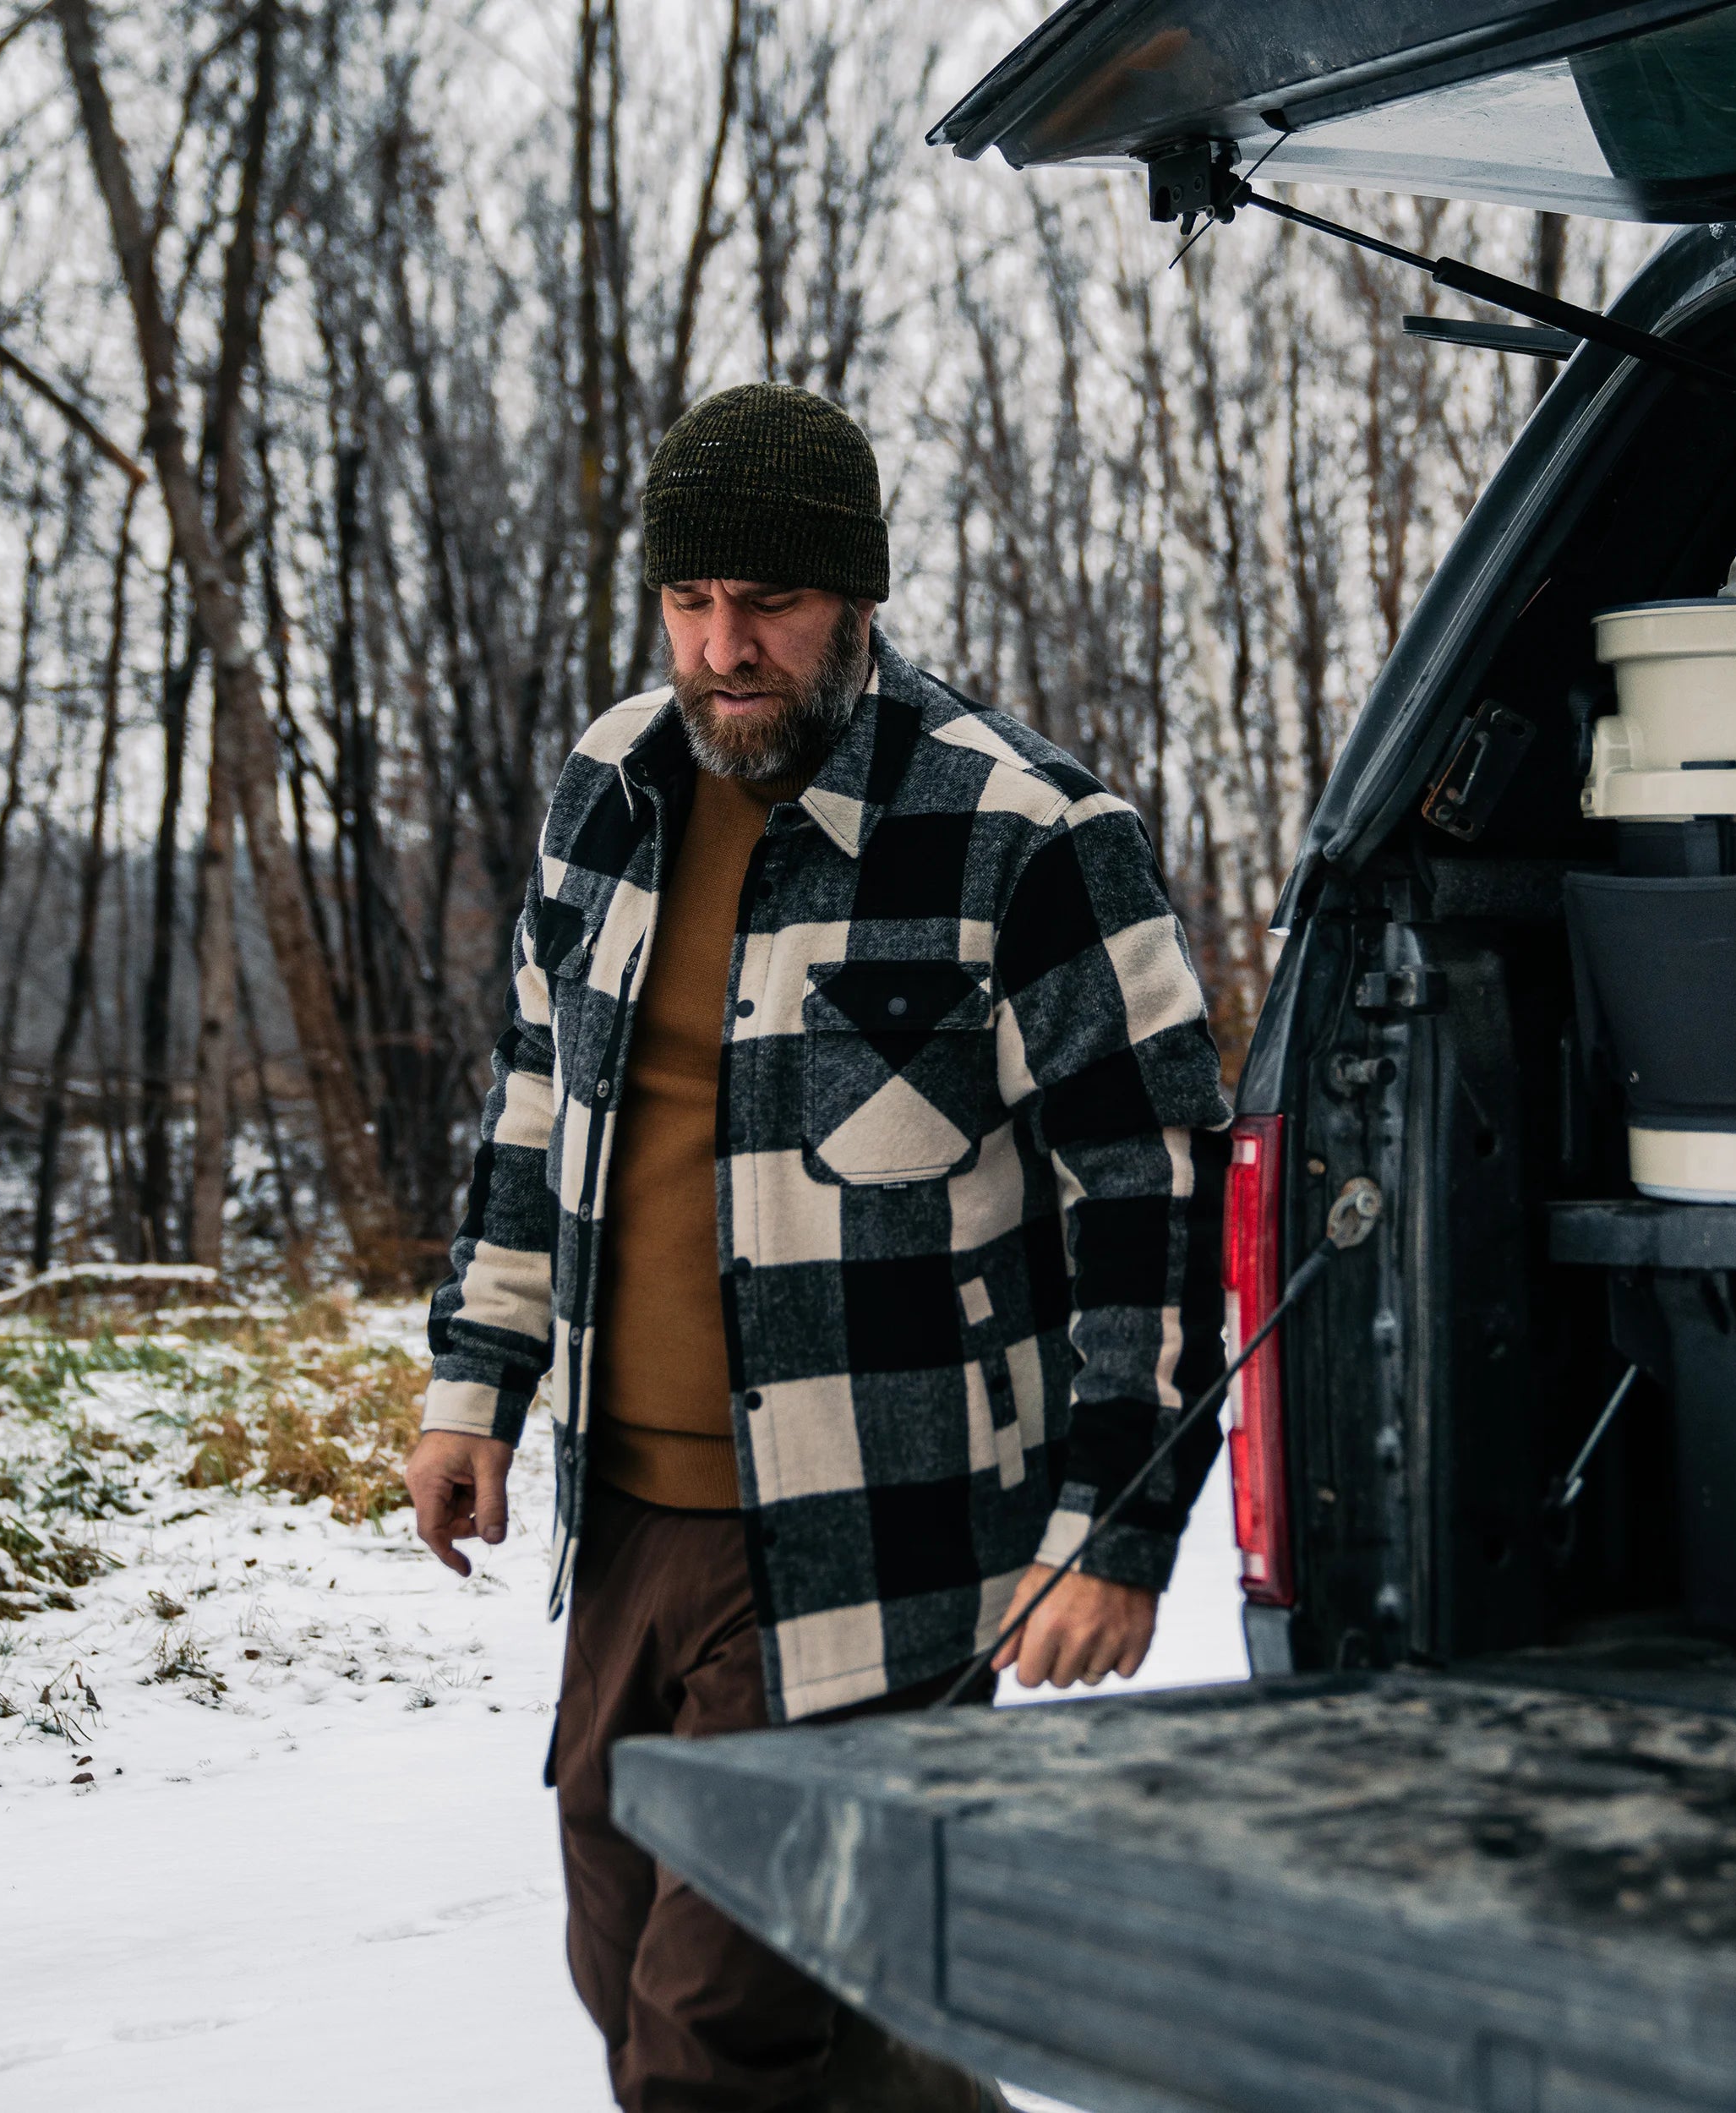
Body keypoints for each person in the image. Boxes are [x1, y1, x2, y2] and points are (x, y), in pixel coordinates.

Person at [405, 383, 1230, 2113]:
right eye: (692, 604)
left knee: (706, 2042)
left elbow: (1147, 1193)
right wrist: (473, 1382)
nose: (726, 649)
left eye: (768, 605)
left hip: (886, 1533)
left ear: (856, 601)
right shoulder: (607, 787)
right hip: (629, 1521)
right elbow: (535, 1101)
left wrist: (1115, 1525)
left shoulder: (1021, 829)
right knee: (680, 1976)